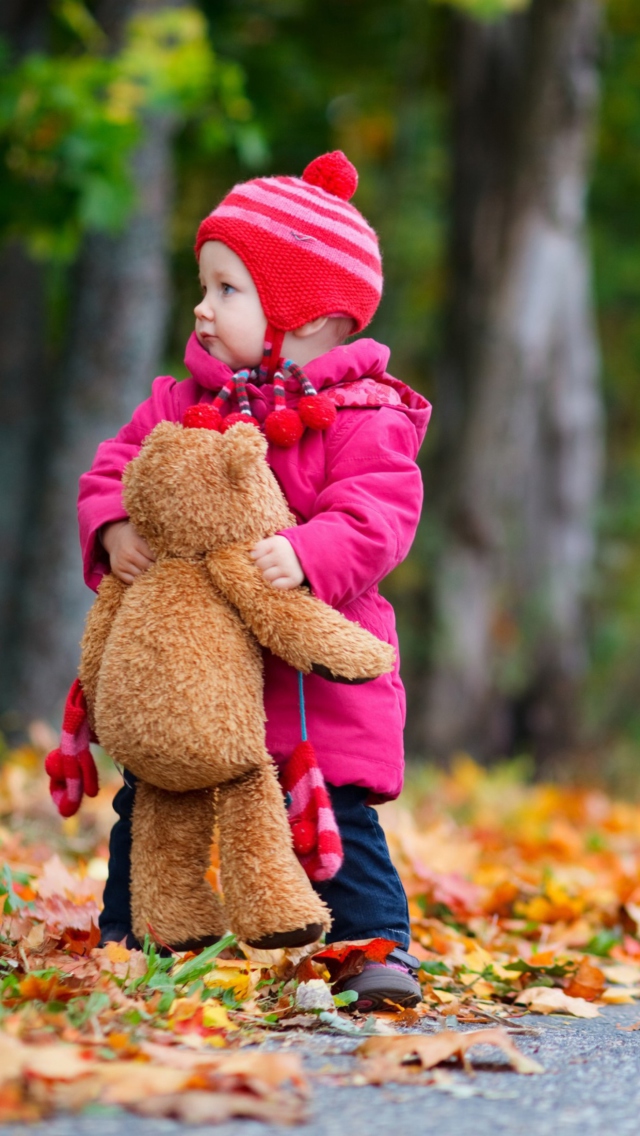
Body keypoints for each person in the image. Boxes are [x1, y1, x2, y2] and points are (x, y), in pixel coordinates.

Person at [78, 150, 431, 1011]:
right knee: (152, 800)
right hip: (194, 676)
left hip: (312, 684)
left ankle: (370, 948)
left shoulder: (362, 416)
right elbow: (112, 470)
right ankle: (137, 935)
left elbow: (380, 513)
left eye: (228, 290)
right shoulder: (178, 404)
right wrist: (115, 525)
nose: (202, 308)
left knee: (332, 819)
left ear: (309, 316)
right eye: (204, 285)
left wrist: (312, 556)